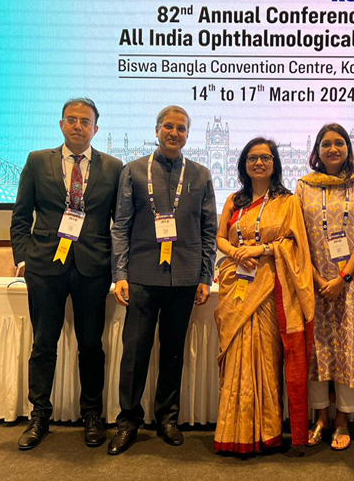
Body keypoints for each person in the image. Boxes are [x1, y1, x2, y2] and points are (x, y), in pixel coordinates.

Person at [10, 97, 122, 450]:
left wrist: (118, 267)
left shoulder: (113, 167)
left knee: (91, 345)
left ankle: (92, 415)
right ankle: (39, 416)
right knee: (44, 344)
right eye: (71, 120)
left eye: (85, 121)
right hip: (45, 267)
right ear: (61, 124)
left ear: (95, 129)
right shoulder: (37, 160)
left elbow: (120, 223)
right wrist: (24, 258)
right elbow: (21, 215)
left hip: (92, 268)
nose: (77, 126)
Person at [107, 105, 217, 455]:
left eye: (181, 128)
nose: (174, 133)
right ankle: (128, 422)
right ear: (157, 130)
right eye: (168, 126)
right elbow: (120, 226)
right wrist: (120, 274)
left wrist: (206, 275)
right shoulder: (134, 171)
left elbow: (209, 230)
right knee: (134, 354)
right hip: (141, 276)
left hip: (184, 278)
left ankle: (167, 418)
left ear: (187, 135)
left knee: (173, 352)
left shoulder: (200, 174)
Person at [214, 137, 315, 454]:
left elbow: (296, 244)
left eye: (265, 158)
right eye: (252, 158)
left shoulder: (288, 202)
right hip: (237, 284)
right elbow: (220, 237)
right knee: (237, 356)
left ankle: (267, 431)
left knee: (266, 359)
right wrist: (235, 252)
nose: (259, 163)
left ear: (275, 164)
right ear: (243, 164)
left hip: (271, 287)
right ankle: (234, 431)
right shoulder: (234, 200)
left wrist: (263, 249)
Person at [295, 124, 354, 451]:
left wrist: (343, 279)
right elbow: (298, 238)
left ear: (348, 147)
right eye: (326, 144)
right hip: (314, 283)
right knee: (317, 351)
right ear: (317, 150)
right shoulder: (304, 186)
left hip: (353, 285)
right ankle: (320, 418)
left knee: (347, 350)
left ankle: (343, 419)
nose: (333, 149)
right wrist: (319, 280)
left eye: (339, 143)